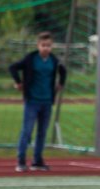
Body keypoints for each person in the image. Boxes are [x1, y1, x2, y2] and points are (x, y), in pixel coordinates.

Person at [9, 31, 67, 173]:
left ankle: (37, 160)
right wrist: (18, 82)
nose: (46, 48)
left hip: (46, 101)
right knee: (27, 130)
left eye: (48, 46)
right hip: (32, 101)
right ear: (38, 45)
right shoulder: (31, 59)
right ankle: (21, 160)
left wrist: (61, 84)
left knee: (42, 132)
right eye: (43, 45)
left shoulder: (53, 60)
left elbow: (63, 70)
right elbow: (13, 67)